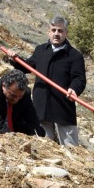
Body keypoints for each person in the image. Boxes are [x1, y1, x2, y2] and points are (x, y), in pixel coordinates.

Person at [7, 16, 86, 146]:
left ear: (66, 33)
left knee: (71, 147)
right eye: (53, 30)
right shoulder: (40, 50)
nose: (56, 34)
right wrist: (15, 59)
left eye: (60, 31)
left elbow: (79, 78)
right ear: (48, 32)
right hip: (41, 105)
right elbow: (27, 67)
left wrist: (74, 89)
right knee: (44, 146)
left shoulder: (75, 56)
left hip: (63, 106)